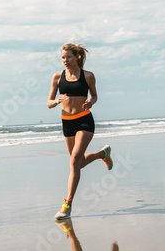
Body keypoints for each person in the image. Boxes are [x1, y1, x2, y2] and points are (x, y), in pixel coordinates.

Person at [47, 43, 113, 220]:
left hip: (84, 120)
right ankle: (102, 154)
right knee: (77, 164)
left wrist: (92, 102)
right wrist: (57, 101)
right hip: (67, 122)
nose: (65, 61)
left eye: (68, 57)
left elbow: (95, 95)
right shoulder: (57, 77)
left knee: (75, 160)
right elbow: (49, 102)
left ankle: (67, 204)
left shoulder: (88, 76)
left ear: (76, 57)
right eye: (62, 57)